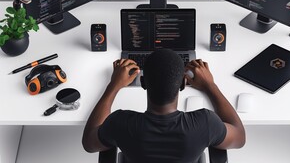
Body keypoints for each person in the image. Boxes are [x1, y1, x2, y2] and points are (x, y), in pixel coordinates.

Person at [82, 49, 245, 163]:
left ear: (143, 83)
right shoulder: (206, 123)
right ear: (183, 84)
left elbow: (89, 143)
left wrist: (114, 85)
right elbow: (240, 138)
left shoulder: (120, 123)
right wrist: (210, 86)